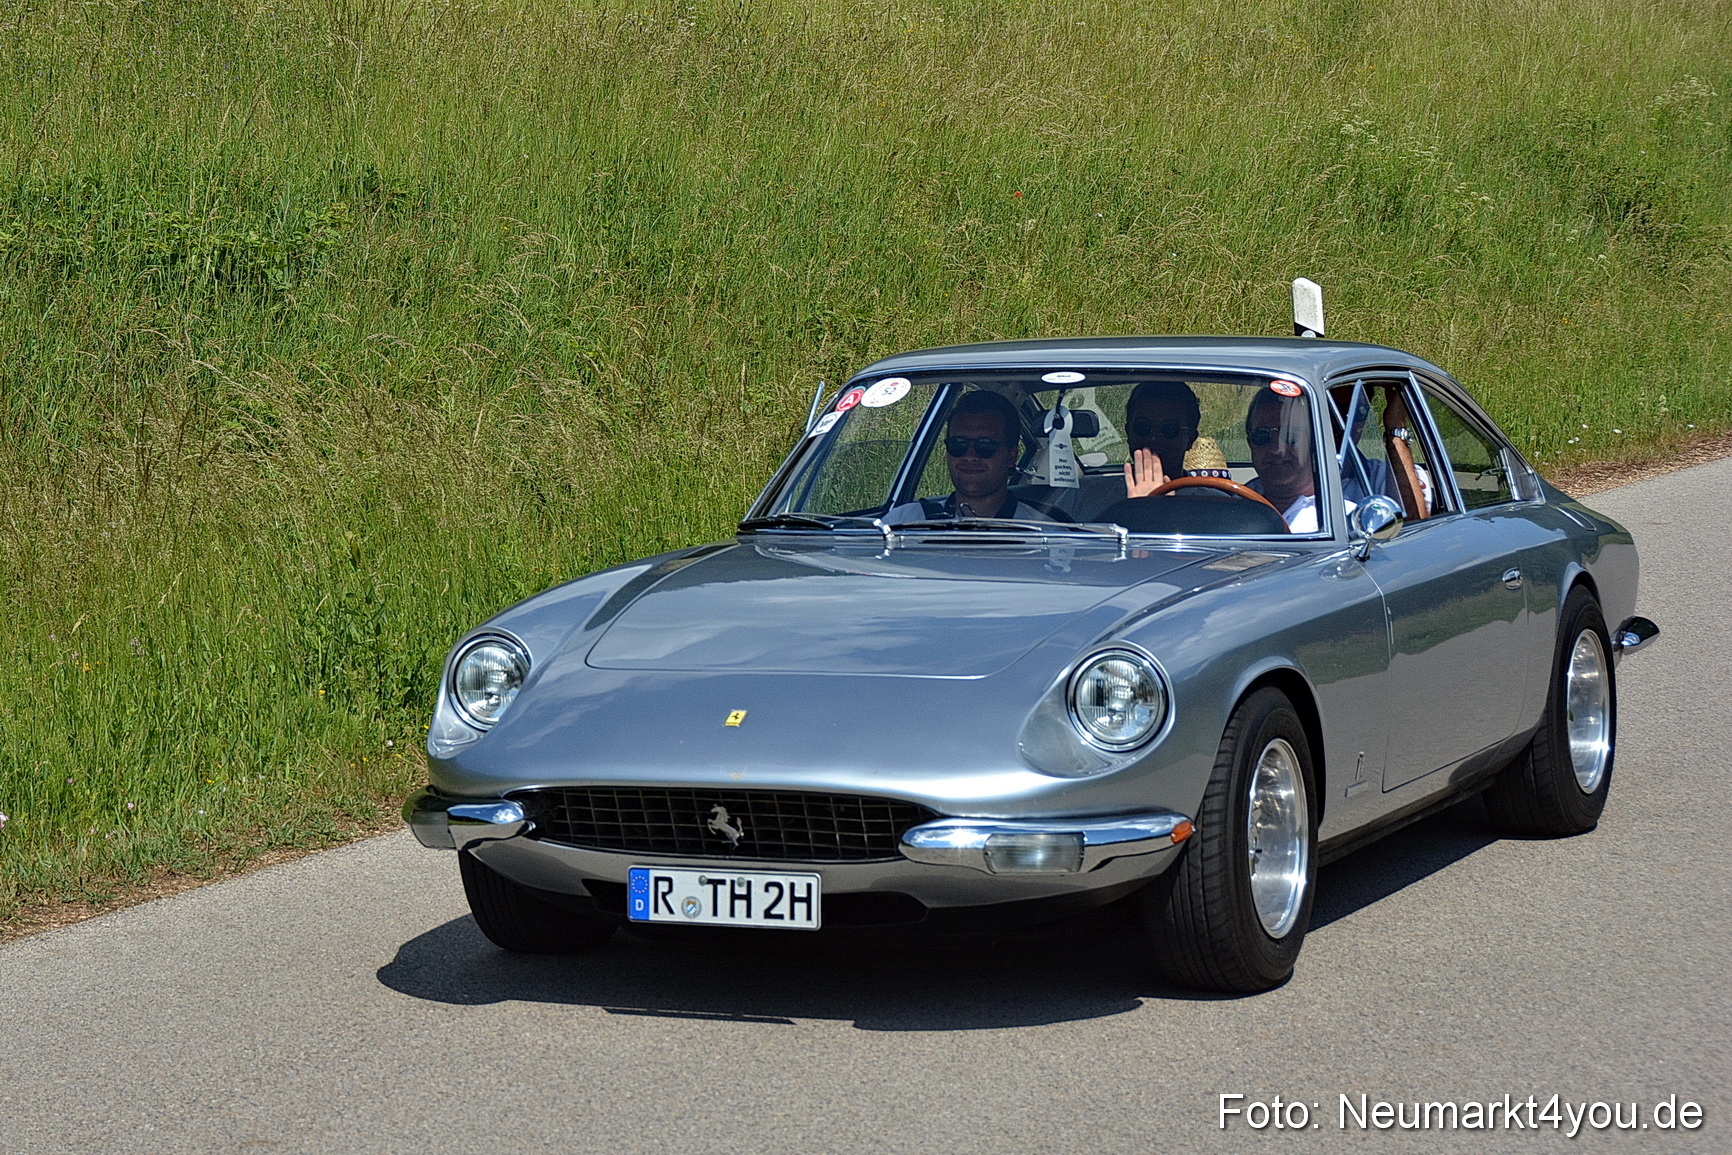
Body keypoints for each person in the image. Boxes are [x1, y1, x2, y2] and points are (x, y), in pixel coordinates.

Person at [883, 390, 1053, 523]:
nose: (970, 456)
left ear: (1011, 456)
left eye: (985, 446)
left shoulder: (1045, 533)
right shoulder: (901, 523)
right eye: (958, 444)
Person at [1243, 387, 1345, 532]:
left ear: (1313, 442)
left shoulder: (1344, 519)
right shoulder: (1233, 508)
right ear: (1250, 443)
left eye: (1290, 435)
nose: (1276, 449)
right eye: (1261, 436)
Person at [1121, 381, 1200, 499]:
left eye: (1169, 429)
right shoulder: (1096, 497)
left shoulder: (1213, 503)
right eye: (1143, 427)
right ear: (1128, 432)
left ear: (1190, 438)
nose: (1154, 438)